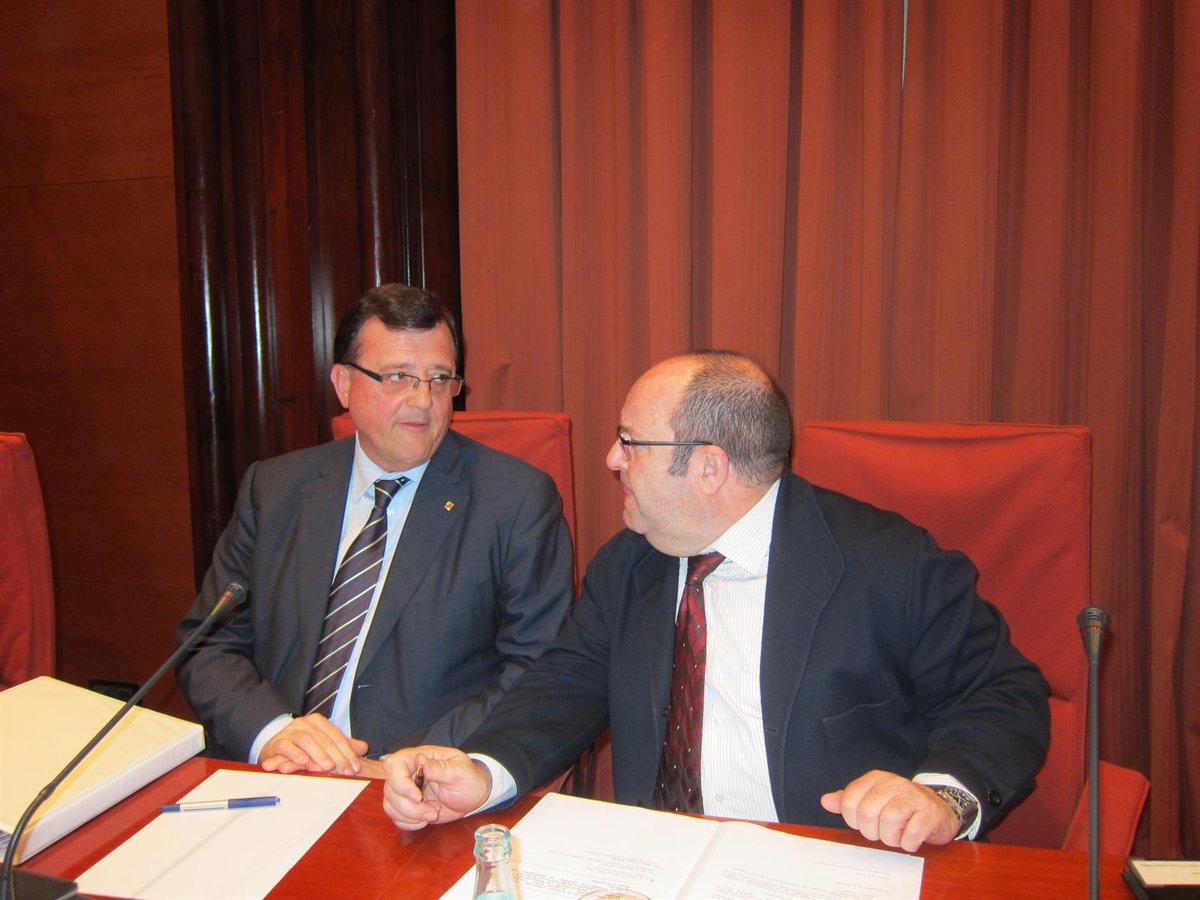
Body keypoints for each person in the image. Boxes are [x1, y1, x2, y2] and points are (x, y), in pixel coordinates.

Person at [381, 350, 1051, 852]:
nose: (612, 458)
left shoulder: (889, 564)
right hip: (660, 868)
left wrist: (941, 796)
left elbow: (1004, 695)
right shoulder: (629, 565)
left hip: (826, 866)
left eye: (630, 442)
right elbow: (563, 688)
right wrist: (483, 769)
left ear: (708, 467)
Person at [176, 283, 574, 779]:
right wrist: (273, 731)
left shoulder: (515, 502)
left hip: (418, 788)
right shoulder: (275, 489)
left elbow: (538, 674)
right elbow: (207, 643)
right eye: (398, 377)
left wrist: (410, 764)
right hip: (278, 776)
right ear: (344, 384)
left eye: (439, 379)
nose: (423, 401)